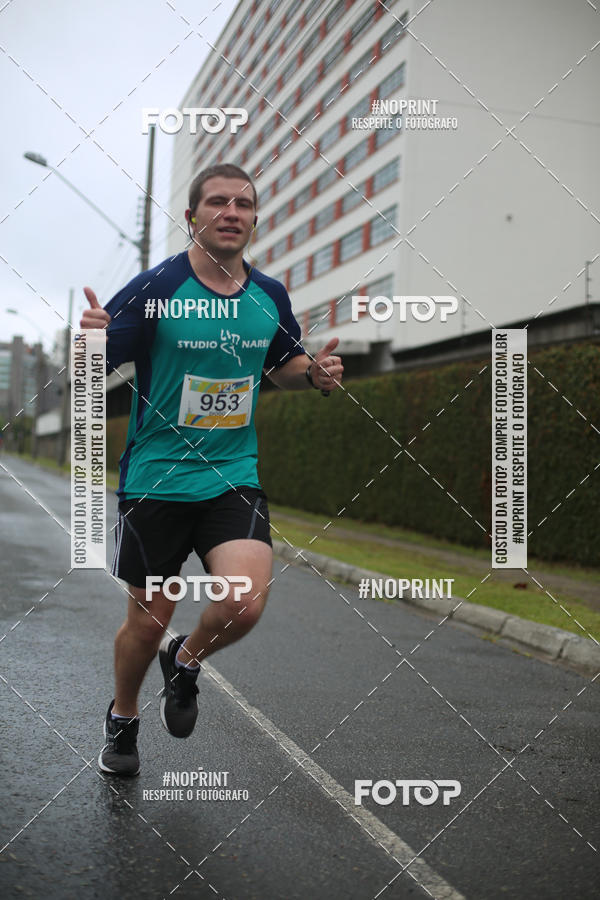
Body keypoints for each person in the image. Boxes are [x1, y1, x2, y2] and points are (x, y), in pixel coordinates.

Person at [80, 163, 343, 776]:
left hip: (232, 475)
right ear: (193, 216)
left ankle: (189, 660)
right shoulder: (156, 288)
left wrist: (317, 375)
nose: (232, 212)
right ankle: (122, 717)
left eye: (244, 204)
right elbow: (92, 371)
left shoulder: (268, 295)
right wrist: (88, 340)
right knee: (146, 625)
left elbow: (283, 364)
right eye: (218, 202)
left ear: (254, 220)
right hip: (157, 479)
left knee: (244, 604)